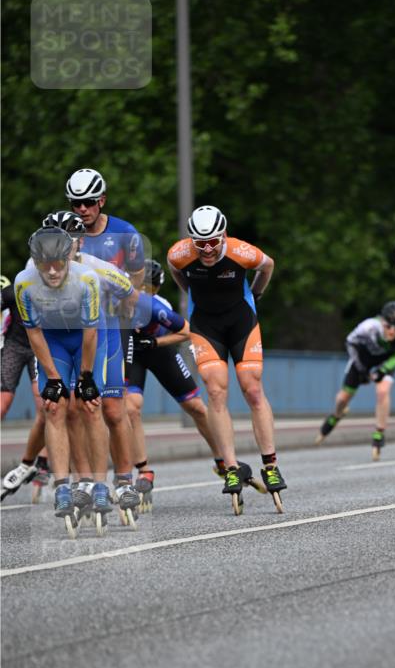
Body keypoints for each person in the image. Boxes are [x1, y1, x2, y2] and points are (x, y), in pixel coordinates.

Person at [167, 205, 286, 512]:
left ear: (224, 235)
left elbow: (268, 265)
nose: (206, 249)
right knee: (216, 391)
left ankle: (270, 463)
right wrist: (192, 292)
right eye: (199, 242)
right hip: (206, 325)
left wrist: (256, 295)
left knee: (252, 388)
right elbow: (175, 271)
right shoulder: (180, 254)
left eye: (212, 242)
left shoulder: (241, 252)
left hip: (241, 321)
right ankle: (231, 468)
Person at [14, 227, 110, 534]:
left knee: (90, 405)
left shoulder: (86, 279)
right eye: (46, 265)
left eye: (58, 263)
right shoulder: (23, 283)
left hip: (87, 339)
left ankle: (99, 484)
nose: (53, 271)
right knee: (53, 407)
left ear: (68, 257)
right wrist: (54, 379)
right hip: (53, 340)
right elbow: (34, 333)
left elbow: (91, 332)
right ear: (35, 261)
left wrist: (85, 377)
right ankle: (63, 487)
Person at [65, 169, 145, 503]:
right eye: (75, 203)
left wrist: (129, 306)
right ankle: (84, 480)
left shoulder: (125, 232)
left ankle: (125, 479)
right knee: (75, 408)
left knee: (114, 409)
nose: (81, 209)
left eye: (87, 203)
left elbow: (138, 275)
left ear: (102, 200)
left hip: (112, 326)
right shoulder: (63, 231)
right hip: (76, 326)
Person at [123, 259, 221, 508]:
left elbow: (187, 331)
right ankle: (144, 472)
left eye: (150, 286)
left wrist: (156, 343)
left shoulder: (158, 306)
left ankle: (222, 458)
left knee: (197, 407)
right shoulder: (118, 301)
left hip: (160, 349)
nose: (145, 290)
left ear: (156, 289)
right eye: (140, 284)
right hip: (132, 353)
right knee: (131, 408)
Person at [316, 301, 395, 460]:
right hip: (362, 360)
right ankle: (337, 415)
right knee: (342, 398)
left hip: (384, 363)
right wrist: (361, 369)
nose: (392, 331)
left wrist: (384, 369)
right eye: (388, 326)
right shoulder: (368, 327)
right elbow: (350, 343)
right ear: (382, 321)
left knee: (382, 391)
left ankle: (379, 433)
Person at [0, 275, 51, 501]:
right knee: (2, 404)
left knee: (45, 407)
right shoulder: (14, 290)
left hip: (39, 347)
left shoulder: (55, 291)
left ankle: (41, 462)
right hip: (15, 344)